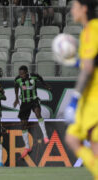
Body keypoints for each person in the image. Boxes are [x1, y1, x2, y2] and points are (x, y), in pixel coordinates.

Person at [64, 1, 98, 180]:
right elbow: (89, 63)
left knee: (94, 145)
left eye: (74, 6)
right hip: (89, 101)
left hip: (94, 100)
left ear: (84, 8)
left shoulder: (92, 29)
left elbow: (88, 69)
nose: (71, 10)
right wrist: (74, 62)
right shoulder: (88, 31)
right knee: (71, 138)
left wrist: (74, 98)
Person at [13, 65, 51, 158]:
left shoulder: (34, 76)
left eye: (22, 73)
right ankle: (27, 147)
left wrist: (46, 86)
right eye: (20, 73)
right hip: (25, 103)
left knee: (38, 114)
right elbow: (16, 87)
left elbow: (41, 79)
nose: (21, 75)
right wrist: (17, 98)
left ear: (26, 72)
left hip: (34, 100)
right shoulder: (18, 79)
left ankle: (45, 136)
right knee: (23, 124)